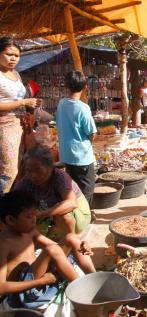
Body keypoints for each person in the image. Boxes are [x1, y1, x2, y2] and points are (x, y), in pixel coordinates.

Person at [0, 191, 93, 309]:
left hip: (36, 273)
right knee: (52, 250)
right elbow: (1, 288)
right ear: (10, 220)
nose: (34, 220)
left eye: (35, 215)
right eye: (29, 216)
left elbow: (58, 248)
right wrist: (40, 282)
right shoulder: (3, 244)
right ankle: (85, 292)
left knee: (71, 238)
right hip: (24, 292)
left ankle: (96, 278)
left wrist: (81, 244)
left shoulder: (29, 231)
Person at [13, 147, 95, 274]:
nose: (33, 176)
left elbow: (71, 203)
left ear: (50, 167)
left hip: (76, 215)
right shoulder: (26, 182)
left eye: (38, 171)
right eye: (28, 171)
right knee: (27, 224)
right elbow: (12, 202)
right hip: (46, 217)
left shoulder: (60, 177)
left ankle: (73, 240)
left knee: (62, 215)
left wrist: (43, 213)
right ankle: (63, 244)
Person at [0, 37, 41, 193]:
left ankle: (11, 204)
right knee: (8, 172)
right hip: (4, 126)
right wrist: (24, 102)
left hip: (20, 125)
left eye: (16, 56)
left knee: (19, 167)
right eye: (9, 54)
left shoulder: (15, 73)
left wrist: (30, 106)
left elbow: (19, 98)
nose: (13, 58)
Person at [55, 71, 97, 207]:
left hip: (67, 155)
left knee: (73, 186)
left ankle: (74, 211)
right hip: (82, 157)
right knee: (87, 188)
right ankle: (85, 214)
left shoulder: (61, 103)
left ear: (66, 86)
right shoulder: (83, 108)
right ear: (85, 87)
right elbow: (91, 133)